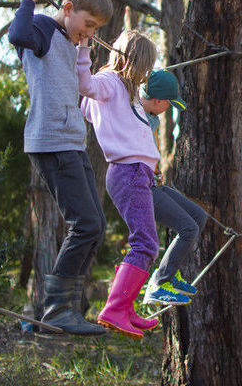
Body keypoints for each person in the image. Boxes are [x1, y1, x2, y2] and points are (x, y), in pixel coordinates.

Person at [8, 0, 113, 335]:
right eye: (89, 24)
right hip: (52, 141)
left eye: (95, 29)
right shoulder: (41, 29)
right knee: (84, 224)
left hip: (73, 142)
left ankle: (63, 305)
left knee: (94, 225)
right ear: (67, 9)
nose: (89, 33)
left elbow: (81, 83)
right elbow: (18, 36)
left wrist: (83, 44)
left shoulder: (69, 41)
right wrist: (28, 0)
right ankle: (56, 309)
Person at [77, 30, 184, 340]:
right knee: (146, 243)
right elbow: (86, 88)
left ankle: (125, 309)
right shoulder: (110, 81)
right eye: (146, 65)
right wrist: (83, 46)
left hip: (138, 171)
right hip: (128, 171)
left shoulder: (124, 90)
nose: (147, 73)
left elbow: (89, 108)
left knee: (145, 242)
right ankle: (115, 308)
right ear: (134, 61)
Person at [139, 70, 206, 307]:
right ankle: (159, 284)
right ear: (157, 100)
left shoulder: (152, 117)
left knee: (199, 217)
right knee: (188, 228)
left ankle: (170, 273)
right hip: (138, 187)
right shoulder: (135, 113)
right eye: (169, 104)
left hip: (153, 183)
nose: (169, 108)